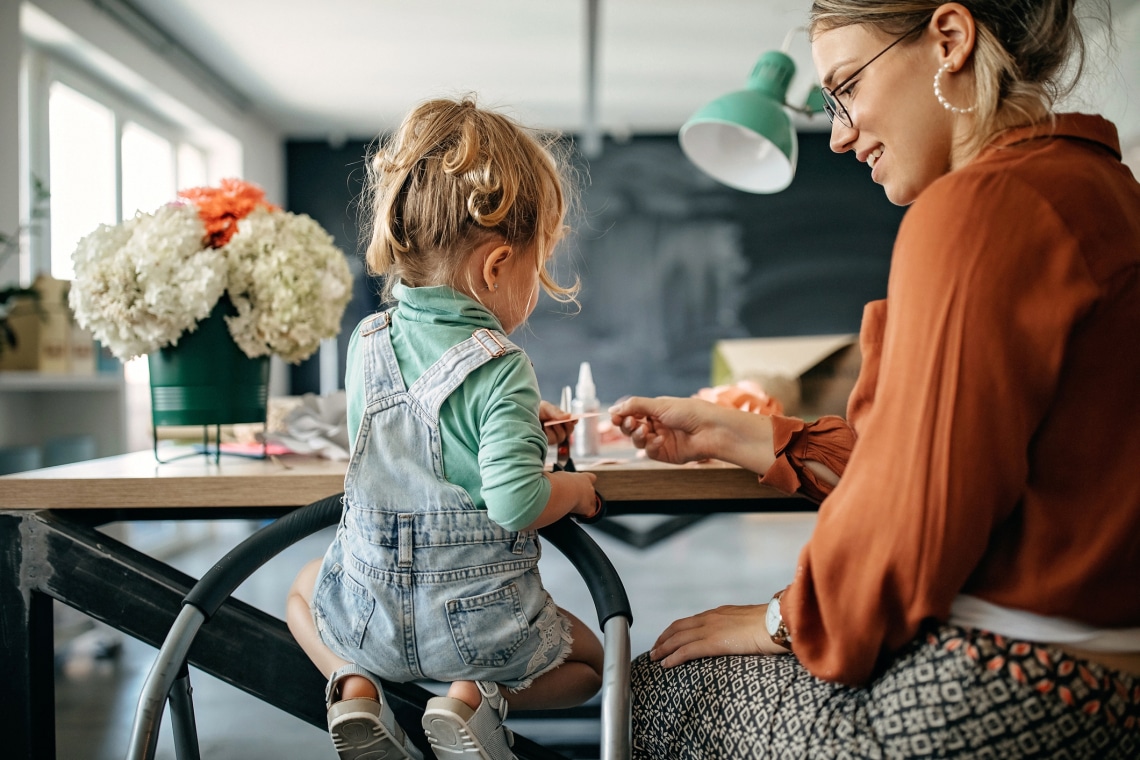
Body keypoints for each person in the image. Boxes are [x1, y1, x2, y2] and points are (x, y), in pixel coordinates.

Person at [609, 1, 1140, 756]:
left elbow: (907, 524)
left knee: (653, 688)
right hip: (1111, 687)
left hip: (1011, 686)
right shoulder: (1103, 192)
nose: (839, 133)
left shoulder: (980, 207)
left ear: (949, 40)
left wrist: (781, 619)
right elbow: (957, 471)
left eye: (847, 87)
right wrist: (740, 434)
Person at [286, 96, 604, 760]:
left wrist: (514, 428)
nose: (534, 289)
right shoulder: (503, 368)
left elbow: (400, 446)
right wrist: (577, 490)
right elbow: (517, 502)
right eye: (535, 268)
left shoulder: (367, 343)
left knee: (300, 590)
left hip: (368, 620)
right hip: (478, 629)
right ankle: (472, 699)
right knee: (593, 664)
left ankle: (353, 688)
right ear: (496, 267)